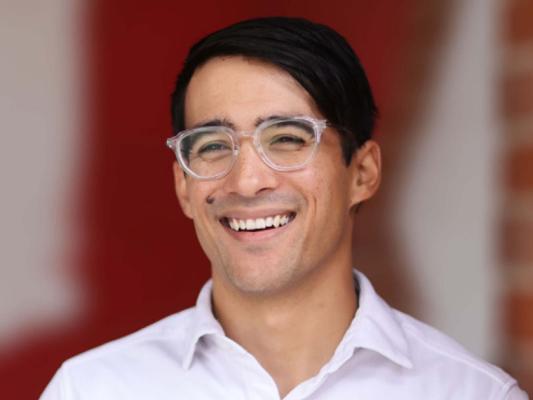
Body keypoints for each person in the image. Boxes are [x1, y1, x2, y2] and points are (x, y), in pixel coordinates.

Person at [41, 17, 528, 399]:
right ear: (183, 187)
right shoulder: (90, 389)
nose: (247, 181)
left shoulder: (471, 393)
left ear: (362, 173)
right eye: (212, 145)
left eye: (288, 139)